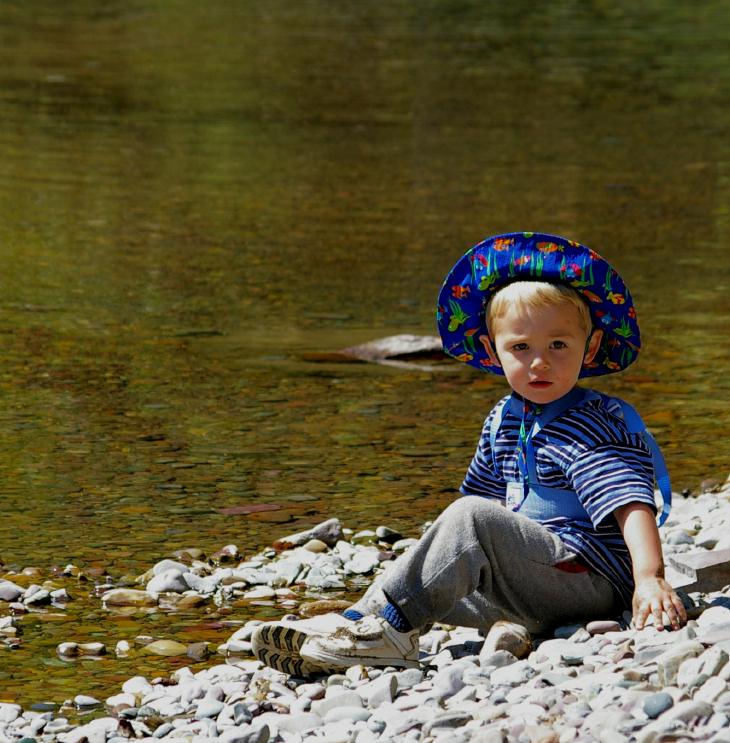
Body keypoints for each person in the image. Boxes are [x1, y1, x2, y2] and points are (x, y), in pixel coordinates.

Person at [252, 232, 686, 678]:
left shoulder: (590, 422)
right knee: (430, 566)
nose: (539, 362)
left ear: (589, 347)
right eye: (521, 347)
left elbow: (630, 503)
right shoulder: (502, 418)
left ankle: (385, 632)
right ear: (492, 350)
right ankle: (355, 627)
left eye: (558, 345)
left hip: (588, 580)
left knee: (469, 518)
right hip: (530, 583)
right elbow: (485, 507)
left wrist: (649, 579)